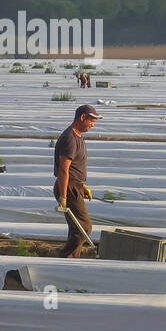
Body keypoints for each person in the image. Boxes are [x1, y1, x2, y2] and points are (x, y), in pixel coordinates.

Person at [53, 105, 102, 258]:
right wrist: (63, 196)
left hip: (75, 185)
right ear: (82, 117)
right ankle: (63, 257)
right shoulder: (69, 138)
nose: (93, 125)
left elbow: (75, 167)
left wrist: (82, 186)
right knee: (84, 227)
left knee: (76, 229)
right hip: (68, 186)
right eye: (91, 121)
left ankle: (72, 261)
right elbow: (64, 169)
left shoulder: (78, 136)